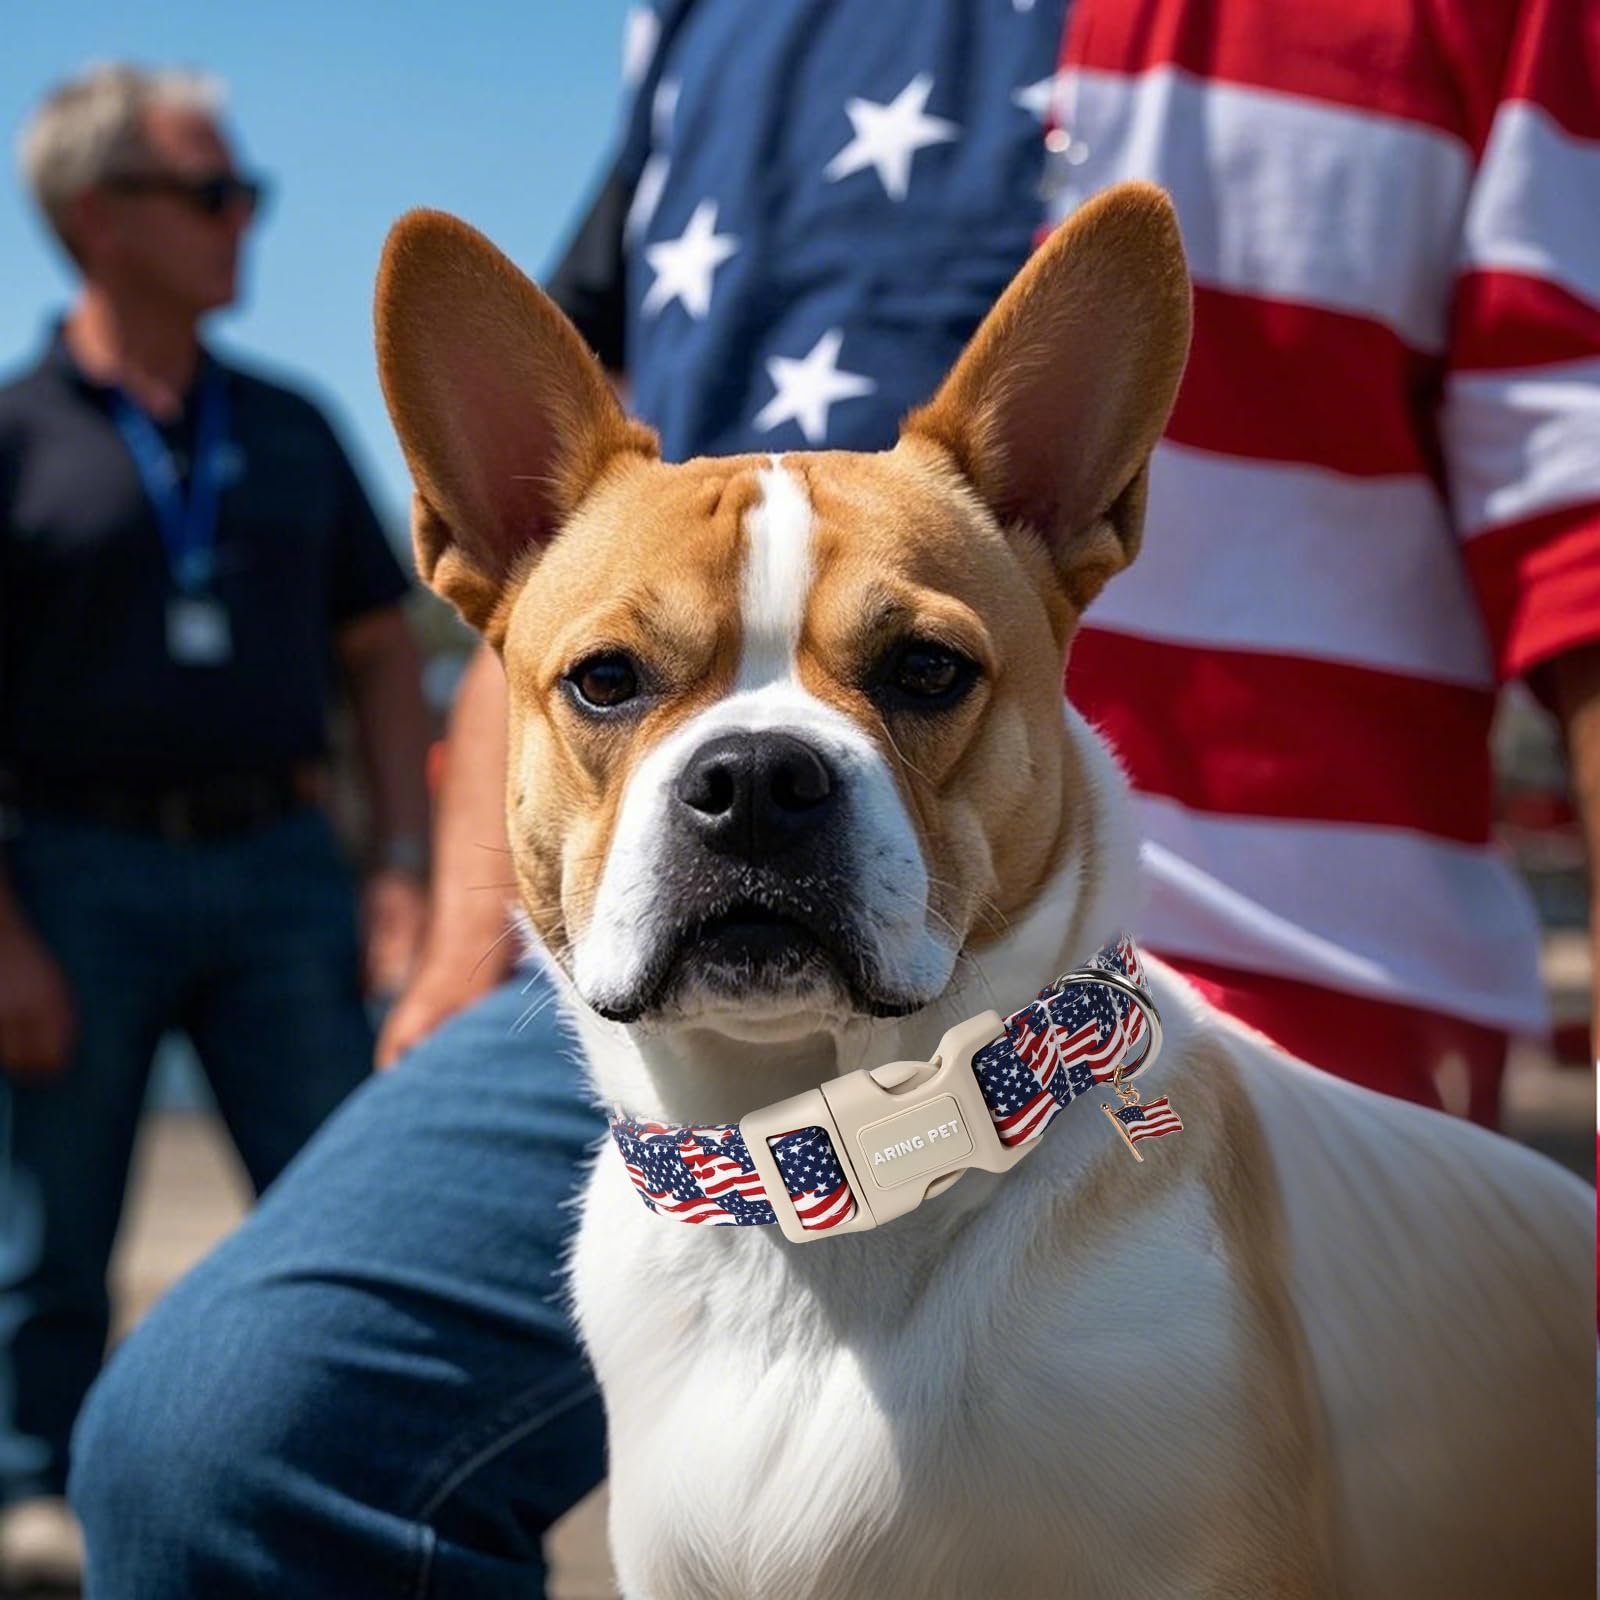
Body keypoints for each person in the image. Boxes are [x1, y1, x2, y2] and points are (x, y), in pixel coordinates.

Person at [70, 2, 1599, 1596]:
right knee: (212, 1445)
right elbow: (541, 596)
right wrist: (461, 949)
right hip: (647, 1040)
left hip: (1209, 960)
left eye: (915, 674)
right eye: (623, 684)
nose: (755, 770)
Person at [0, 63, 433, 1582]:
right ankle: (36, 1496)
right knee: (48, 1230)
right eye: (211, 193)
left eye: (245, 191)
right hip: (71, 875)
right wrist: (4, 940)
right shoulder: (18, 436)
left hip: (281, 867)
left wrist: (400, 870)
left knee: (347, 1198)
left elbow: (383, 657)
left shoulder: (294, 428)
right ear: (95, 217)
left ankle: (360, 1473)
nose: (245, 218)